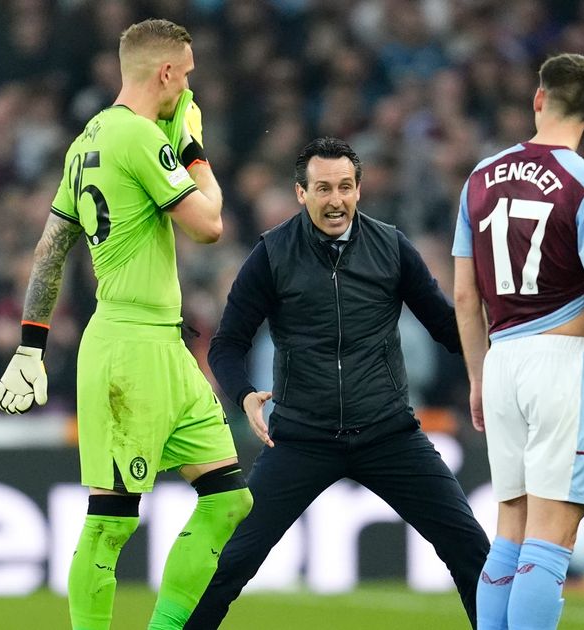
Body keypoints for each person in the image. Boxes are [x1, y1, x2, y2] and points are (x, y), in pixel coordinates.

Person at [0, 19, 252, 630]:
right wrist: (193, 150)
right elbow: (209, 225)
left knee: (229, 499)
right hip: (127, 348)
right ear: (164, 73)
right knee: (111, 521)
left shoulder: (87, 142)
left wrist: (32, 344)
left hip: (165, 346)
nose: (188, 85)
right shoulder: (139, 138)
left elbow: (51, 246)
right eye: (185, 74)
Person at [190, 137, 490, 628]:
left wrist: (506, 335)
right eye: (323, 188)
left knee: (470, 549)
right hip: (302, 438)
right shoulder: (272, 254)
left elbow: (446, 328)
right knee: (231, 562)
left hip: (388, 433)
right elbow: (227, 344)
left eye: (345, 187)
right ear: (301, 193)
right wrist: (243, 395)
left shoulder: (392, 247)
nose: (336, 200)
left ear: (359, 190)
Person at [454, 52, 584, 630]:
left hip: (502, 359)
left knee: (510, 528)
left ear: (539, 99)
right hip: (563, 363)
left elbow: (464, 296)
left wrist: (478, 377)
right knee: (552, 536)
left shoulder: (479, 177)